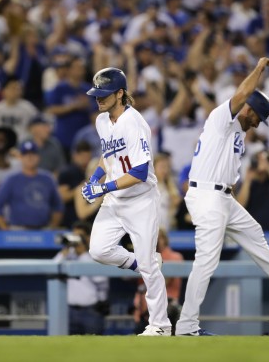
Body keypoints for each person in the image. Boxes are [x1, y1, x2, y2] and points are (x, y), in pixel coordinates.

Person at [174, 57, 269, 337]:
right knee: (206, 262)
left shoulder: (238, 132)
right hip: (206, 195)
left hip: (222, 197)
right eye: (257, 117)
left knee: (254, 233)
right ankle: (187, 326)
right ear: (248, 109)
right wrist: (259, 69)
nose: (258, 124)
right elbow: (240, 94)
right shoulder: (221, 118)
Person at [81, 67, 172, 336]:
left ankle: (160, 325)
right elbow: (107, 156)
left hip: (141, 201)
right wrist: (95, 180)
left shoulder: (135, 122)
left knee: (149, 267)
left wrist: (104, 186)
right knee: (98, 250)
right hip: (115, 200)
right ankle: (142, 262)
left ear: (120, 93)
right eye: (96, 94)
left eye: (104, 94)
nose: (98, 99)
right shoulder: (102, 121)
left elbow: (140, 172)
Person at [53, 221, 109, 335]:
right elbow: (53, 268)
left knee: (95, 347)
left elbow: (100, 280)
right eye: (74, 236)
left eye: (80, 236)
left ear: (88, 238)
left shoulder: (96, 255)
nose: (77, 239)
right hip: (68, 310)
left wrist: (83, 254)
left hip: (90, 311)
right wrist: (65, 252)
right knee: (66, 348)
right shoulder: (67, 255)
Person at [0, 140, 63, 230]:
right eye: (26, 154)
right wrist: (4, 229)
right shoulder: (11, 179)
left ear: (38, 157)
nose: (30, 157)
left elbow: (58, 205)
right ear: (21, 157)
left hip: (42, 230)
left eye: (33, 154)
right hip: (17, 230)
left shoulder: (48, 178)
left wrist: (53, 227)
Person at [133, 229, 183, 335]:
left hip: (168, 306)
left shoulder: (175, 257)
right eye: (152, 238)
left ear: (164, 240)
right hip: (143, 307)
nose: (154, 241)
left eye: (158, 237)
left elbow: (163, 281)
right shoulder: (143, 256)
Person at [236, 150, 269, 231]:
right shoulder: (247, 183)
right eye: (258, 160)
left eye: (264, 161)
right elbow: (240, 205)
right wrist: (248, 180)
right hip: (252, 230)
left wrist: (268, 168)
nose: (261, 163)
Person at [58, 141, 93, 228]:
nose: (85, 159)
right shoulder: (67, 172)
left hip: (90, 218)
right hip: (71, 219)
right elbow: (62, 197)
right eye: (82, 156)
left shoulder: (92, 171)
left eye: (87, 156)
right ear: (75, 156)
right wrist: (80, 189)